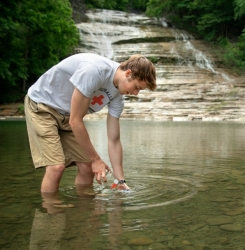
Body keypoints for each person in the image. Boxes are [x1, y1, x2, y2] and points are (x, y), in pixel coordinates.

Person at [24, 53, 157, 193]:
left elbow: (114, 140)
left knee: (87, 167)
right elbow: (75, 121)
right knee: (56, 167)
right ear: (128, 73)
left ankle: (84, 211)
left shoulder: (118, 96)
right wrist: (96, 159)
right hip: (42, 106)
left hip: (67, 115)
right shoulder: (94, 70)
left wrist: (120, 180)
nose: (136, 93)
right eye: (137, 87)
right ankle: (51, 211)